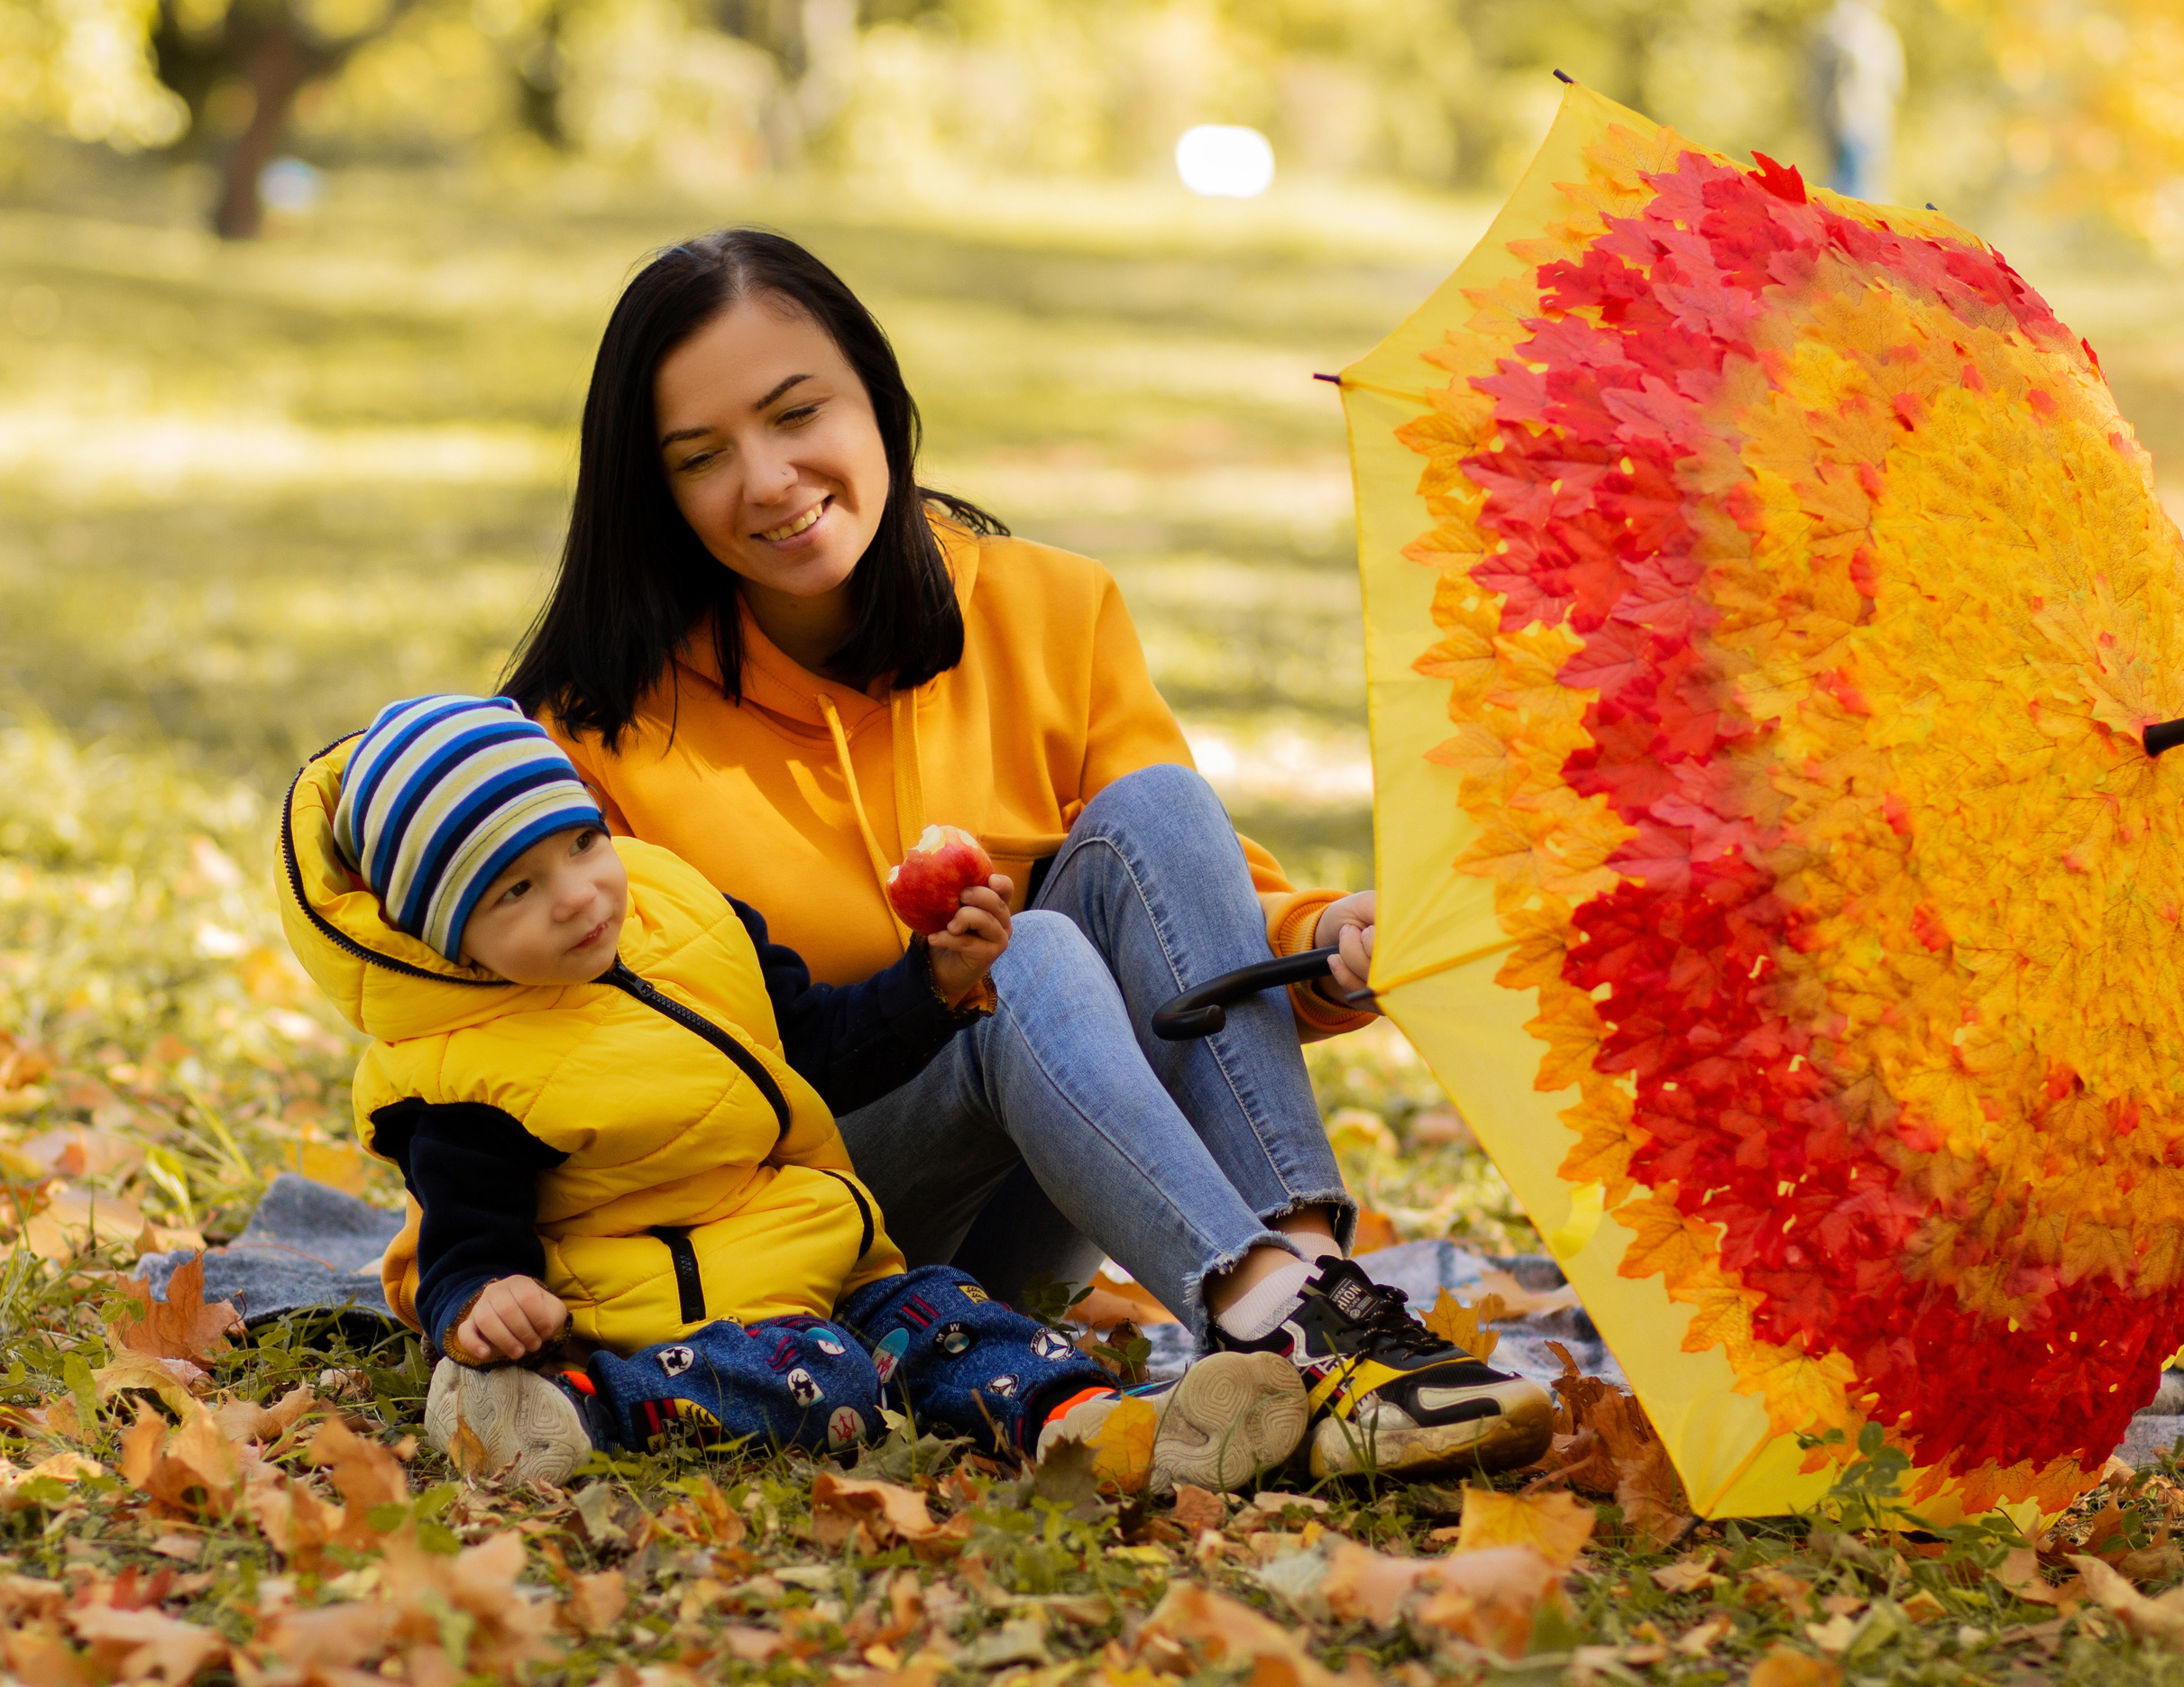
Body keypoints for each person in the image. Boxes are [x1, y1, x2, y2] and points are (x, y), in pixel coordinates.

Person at [502, 229, 1554, 1479]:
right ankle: (1297, 1324)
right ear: (657, 491)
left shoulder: (1050, 608)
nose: (770, 478)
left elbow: (1179, 900)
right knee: (1033, 951)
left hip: (1032, 1202)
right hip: (795, 1235)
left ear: (877, 400)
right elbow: (533, 1056)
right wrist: (471, 1265)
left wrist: (1318, 946)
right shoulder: (595, 727)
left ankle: (1312, 1287)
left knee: (1156, 807)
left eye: (798, 414)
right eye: (702, 457)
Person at [273, 692, 1309, 1490]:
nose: (581, 892)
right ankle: (573, 1411)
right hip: (663, 1313)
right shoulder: (465, 1070)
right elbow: (462, 1235)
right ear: (445, 938)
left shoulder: (680, 914)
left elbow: (811, 1043)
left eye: (581, 842)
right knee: (818, 1372)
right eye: (517, 889)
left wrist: (934, 985)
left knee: (950, 1314)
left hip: (823, 1255)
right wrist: (479, 1301)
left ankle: (1100, 1425)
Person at [1811, 0, 1905, 202]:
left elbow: (1895, 83)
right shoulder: (1833, 34)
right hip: (1842, 119)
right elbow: (1819, 83)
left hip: (1872, 120)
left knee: (1868, 180)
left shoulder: (1882, 36)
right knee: (1843, 178)